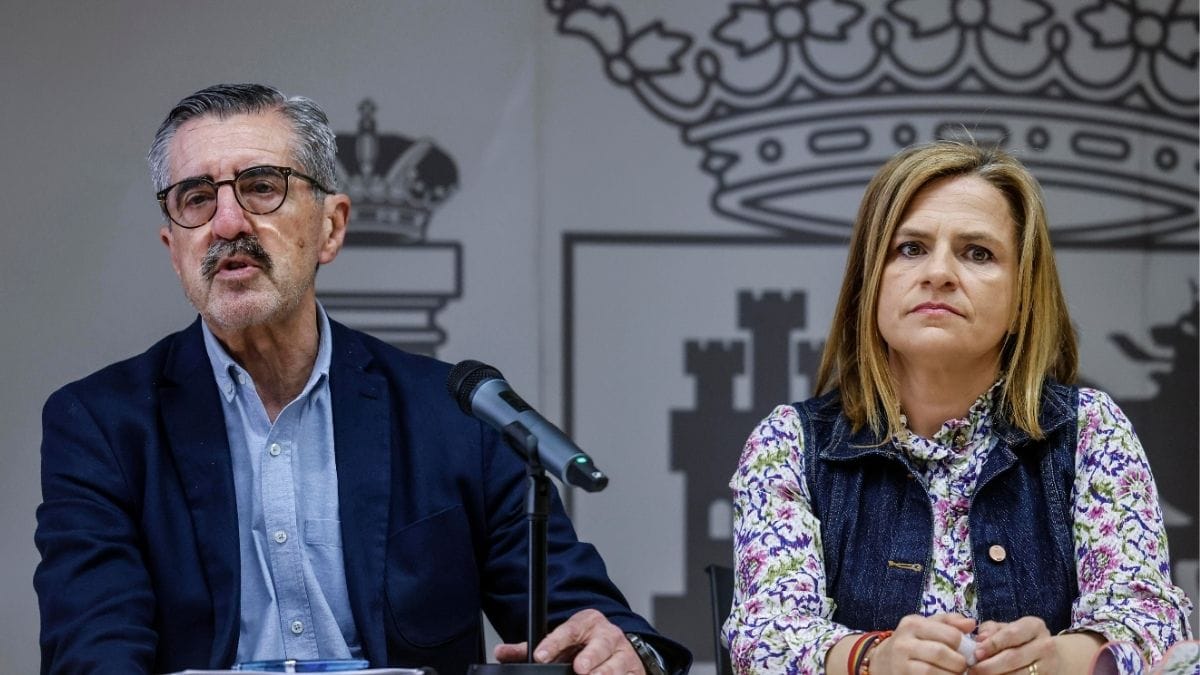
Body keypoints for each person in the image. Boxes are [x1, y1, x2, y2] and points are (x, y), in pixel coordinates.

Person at [34, 83, 690, 675]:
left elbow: (584, 620)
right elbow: (93, 648)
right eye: (197, 199)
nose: (227, 223)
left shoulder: (454, 417)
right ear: (174, 250)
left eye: (261, 187)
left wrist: (625, 653)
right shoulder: (102, 425)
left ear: (332, 226)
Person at [724, 140, 1193, 675]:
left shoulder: (1090, 430)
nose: (940, 273)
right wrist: (872, 661)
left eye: (978, 253)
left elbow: (1150, 625)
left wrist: (1055, 660)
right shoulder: (788, 442)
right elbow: (764, 639)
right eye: (910, 248)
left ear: (1023, 297)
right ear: (868, 283)